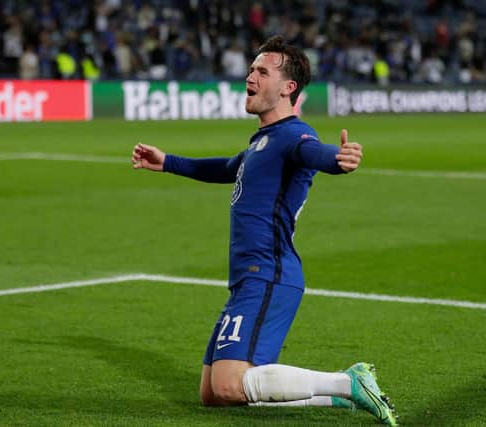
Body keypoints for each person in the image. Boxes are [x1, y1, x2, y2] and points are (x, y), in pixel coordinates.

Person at [131, 35, 397, 426]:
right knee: (212, 393)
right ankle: (333, 401)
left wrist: (338, 160)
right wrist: (168, 161)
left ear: (288, 87)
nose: (250, 76)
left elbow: (315, 152)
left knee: (227, 385)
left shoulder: (293, 136)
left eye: (262, 71)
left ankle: (347, 382)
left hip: (269, 272)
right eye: (251, 69)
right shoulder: (264, 140)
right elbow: (225, 168)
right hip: (248, 276)